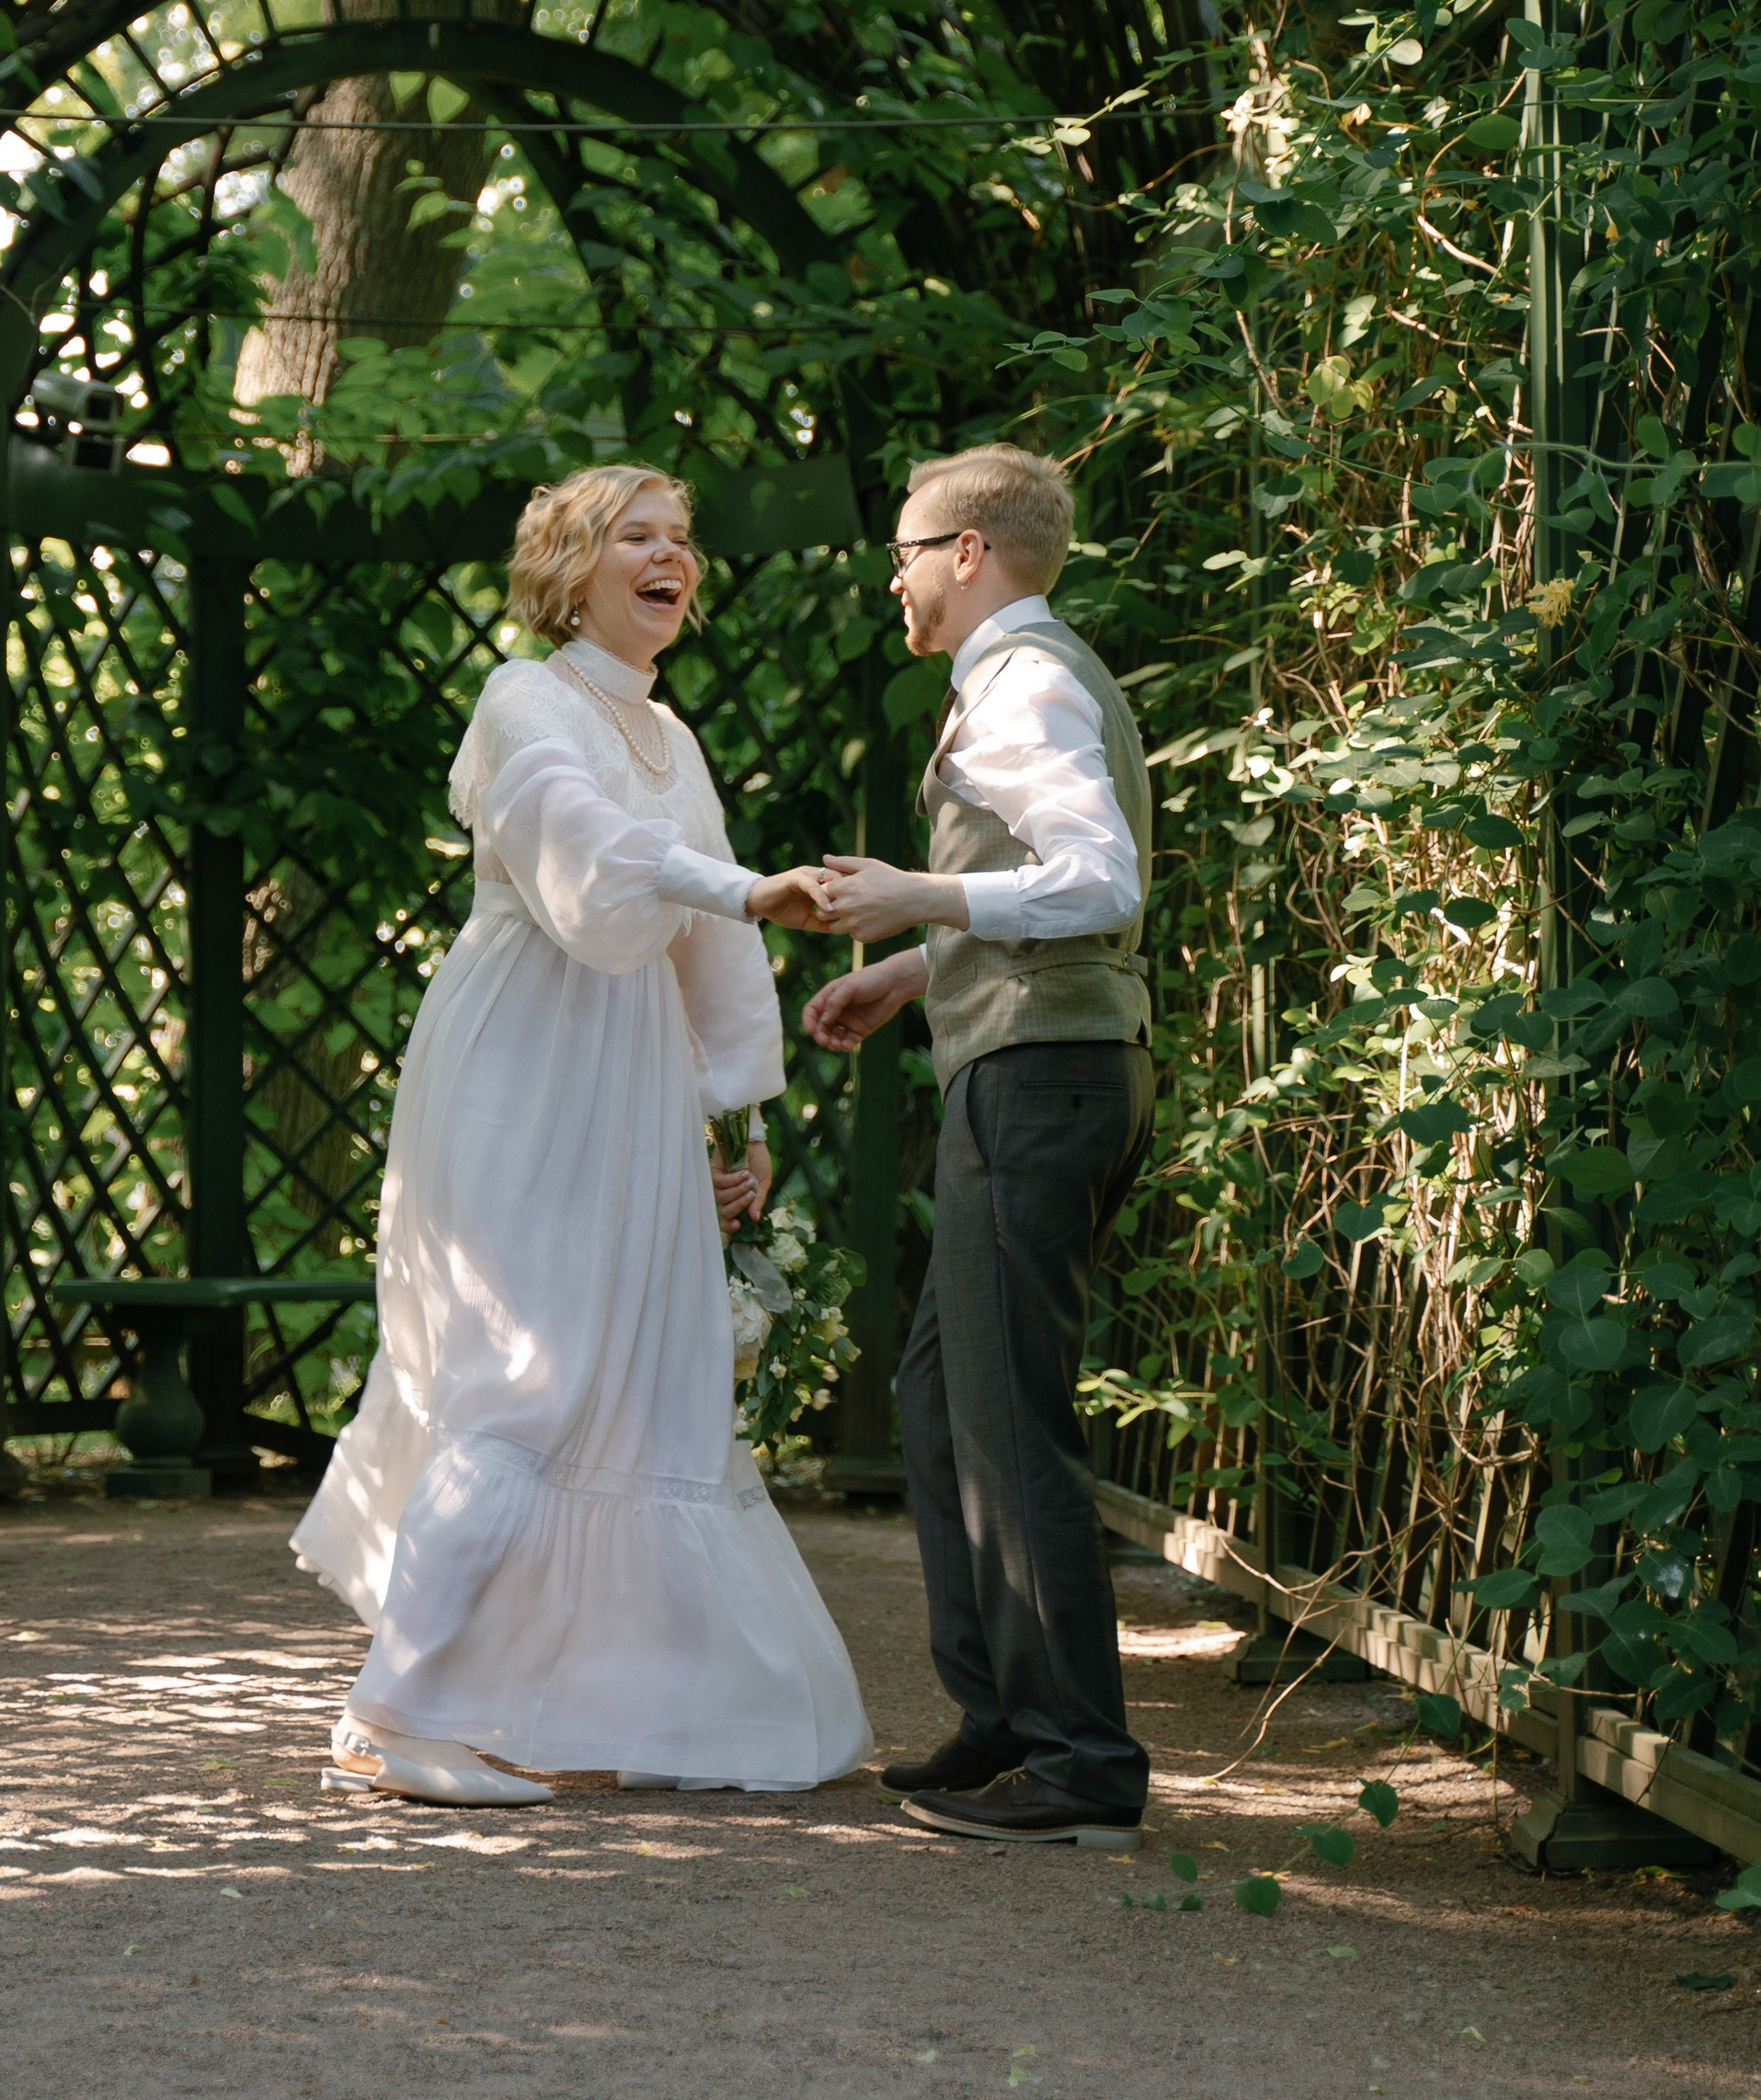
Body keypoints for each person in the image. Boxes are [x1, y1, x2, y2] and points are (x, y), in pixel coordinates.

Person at [292, 463, 872, 1805]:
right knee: (523, 1374)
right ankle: (389, 1716)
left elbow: (708, 945)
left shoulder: (679, 740)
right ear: (573, 566)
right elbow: (585, 849)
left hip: (635, 1076)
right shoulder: (524, 700)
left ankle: (555, 1707)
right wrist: (743, 884)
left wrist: (734, 1112)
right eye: (639, 536)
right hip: (523, 1058)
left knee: (636, 1388)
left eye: (685, 538)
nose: (673, 558)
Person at [805, 443, 1154, 1845]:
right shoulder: (1019, 676)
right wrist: (915, 968)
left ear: (966, 551)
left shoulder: (1027, 682)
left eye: (903, 550)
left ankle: (1085, 1767)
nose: (892, 577)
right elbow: (1047, 887)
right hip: (1031, 1061)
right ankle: (1008, 1720)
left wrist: (911, 893)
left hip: (1040, 1080)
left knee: (1009, 1421)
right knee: (950, 1403)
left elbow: (1097, 878)